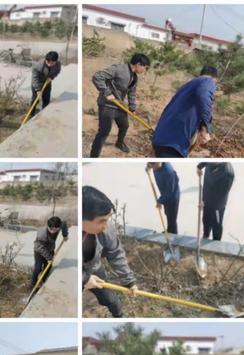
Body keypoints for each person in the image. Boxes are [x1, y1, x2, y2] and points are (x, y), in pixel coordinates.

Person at [82, 186, 138, 318]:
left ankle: (119, 316)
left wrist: (129, 281)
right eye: (101, 221)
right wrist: (83, 279)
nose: (105, 225)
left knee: (110, 299)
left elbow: (116, 253)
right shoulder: (72, 237)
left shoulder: (106, 230)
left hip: (95, 269)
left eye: (107, 219)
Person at [90, 53, 151, 157]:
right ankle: (94, 156)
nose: (144, 70)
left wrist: (132, 108)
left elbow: (131, 92)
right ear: (138, 64)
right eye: (144, 67)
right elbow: (97, 76)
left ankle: (119, 143)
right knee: (104, 132)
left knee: (124, 125)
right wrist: (107, 92)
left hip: (119, 105)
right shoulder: (118, 69)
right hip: (107, 105)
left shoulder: (134, 77)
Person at [152, 65, 218, 157]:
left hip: (162, 138)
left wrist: (201, 128)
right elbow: (203, 95)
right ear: (214, 78)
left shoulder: (188, 85)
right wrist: (206, 129)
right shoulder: (207, 81)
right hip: (173, 142)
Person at [197, 162, 235, 241]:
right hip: (206, 199)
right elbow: (205, 161)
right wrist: (199, 167)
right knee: (206, 219)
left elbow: (222, 194)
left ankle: (216, 241)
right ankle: (206, 234)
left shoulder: (228, 173)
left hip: (217, 204)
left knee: (216, 224)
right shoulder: (211, 162)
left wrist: (205, 202)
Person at [32, 216, 68, 288]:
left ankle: (43, 280)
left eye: (55, 230)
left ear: (58, 227)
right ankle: (34, 282)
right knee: (38, 267)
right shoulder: (42, 234)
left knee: (48, 266)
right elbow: (39, 247)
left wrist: (65, 235)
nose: (52, 231)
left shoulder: (60, 225)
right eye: (50, 229)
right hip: (39, 250)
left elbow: (64, 224)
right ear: (48, 226)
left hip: (50, 248)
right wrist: (49, 257)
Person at [146, 162, 180, 234]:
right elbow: (150, 165)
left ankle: (173, 235)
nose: (153, 168)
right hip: (164, 193)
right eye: (151, 164)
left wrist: (160, 201)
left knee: (172, 218)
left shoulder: (168, 172)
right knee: (167, 213)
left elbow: (170, 191)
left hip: (172, 197)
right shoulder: (155, 166)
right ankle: (169, 230)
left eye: (153, 164)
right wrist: (148, 167)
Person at [30, 51, 61, 116]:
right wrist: (38, 89)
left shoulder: (58, 64)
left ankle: (44, 114)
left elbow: (57, 71)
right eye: (48, 62)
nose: (49, 64)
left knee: (46, 99)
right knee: (35, 99)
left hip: (47, 83)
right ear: (46, 60)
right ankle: (31, 114)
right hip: (37, 83)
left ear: (56, 61)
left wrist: (51, 77)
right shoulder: (38, 66)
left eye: (52, 63)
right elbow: (35, 78)